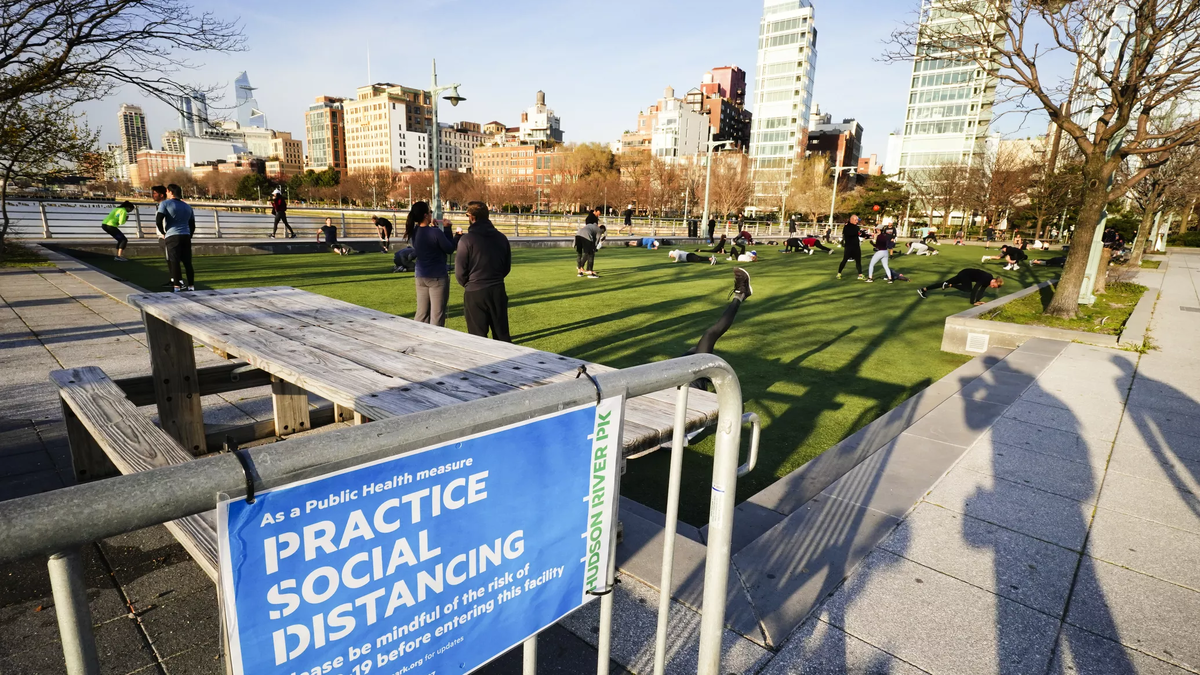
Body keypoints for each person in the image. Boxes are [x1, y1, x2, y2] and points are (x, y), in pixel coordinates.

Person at [456, 201, 511, 341]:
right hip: (497, 289)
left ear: (472, 217)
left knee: (477, 339)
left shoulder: (466, 240)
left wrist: (471, 284)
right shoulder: (502, 238)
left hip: (475, 291)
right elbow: (506, 267)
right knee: (502, 336)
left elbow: (460, 273)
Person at [405, 201, 457, 326]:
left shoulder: (414, 232)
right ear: (425, 215)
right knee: (437, 315)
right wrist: (449, 230)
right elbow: (449, 248)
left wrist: (434, 228)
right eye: (429, 212)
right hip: (436, 276)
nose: (431, 214)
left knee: (422, 313)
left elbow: (429, 240)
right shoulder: (435, 233)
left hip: (421, 275)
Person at [156, 184, 196, 292]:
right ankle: (191, 286)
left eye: (167, 192)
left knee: (174, 261)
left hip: (172, 235)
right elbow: (192, 224)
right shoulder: (187, 206)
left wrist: (163, 232)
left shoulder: (165, 203)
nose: (166, 194)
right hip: (186, 236)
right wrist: (190, 235)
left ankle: (177, 286)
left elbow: (159, 219)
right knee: (187, 262)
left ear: (170, 192)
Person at [918, 268, 1004, 305]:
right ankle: (950, 285)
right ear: (994, 281)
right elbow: (975, 289)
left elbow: (981, 290)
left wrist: (978, 300)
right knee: (968, 289)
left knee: (944, 283)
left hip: (967, 276)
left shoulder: (988, 281)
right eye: (994, 286)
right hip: (965, 274)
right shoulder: (986, 278)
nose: (992, 287)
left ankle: (923, 289)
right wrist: (972, 302)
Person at [575, 207, 602, 279]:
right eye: (599, 213)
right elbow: (597, 239)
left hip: (578, 235)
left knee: (581, 253)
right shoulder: (597, 227)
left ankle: (580, 270)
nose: (599, 215)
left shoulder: (593, 219)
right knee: (590, 254)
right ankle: (589, 271)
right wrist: (595, 247)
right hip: (586, 236)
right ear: (596, 211)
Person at [837, 215, 866, 280]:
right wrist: (857, 232)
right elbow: (849, 234)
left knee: (858, 261)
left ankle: (860, 274)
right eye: (855, 220)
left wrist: (863, 233)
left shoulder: (857, 227)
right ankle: (839, 273)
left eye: (857, 220)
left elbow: (861, 235)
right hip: (849, 247)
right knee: (844, 260)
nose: (857, 221)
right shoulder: (847, 227)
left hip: (856, 246)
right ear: (851, 220)